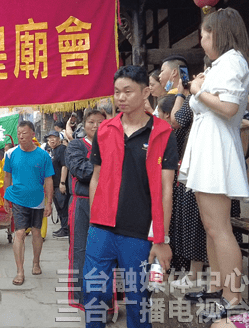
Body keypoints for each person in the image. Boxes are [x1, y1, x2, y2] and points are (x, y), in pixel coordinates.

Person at [83, 65, 178, 328]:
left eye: (127, 91)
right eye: (116, 92)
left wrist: (162, 237)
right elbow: (96, 177)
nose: (120, 97)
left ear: (146, 92)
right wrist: (94, 220)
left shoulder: (162, 133)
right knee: (94, 294)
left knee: (138, 301)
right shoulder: (105, 130)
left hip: (138, 232)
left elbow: (166, 188)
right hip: (101, 230)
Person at [178, 8, 249, 319]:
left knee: (220, 228)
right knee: (212, 227)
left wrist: (197, 90)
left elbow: (229, 106)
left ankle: (233, 297)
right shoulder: (222, 64)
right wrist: (201, 86)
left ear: (219, 34)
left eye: (205, 34)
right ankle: (220, 288)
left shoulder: (233, 61)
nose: (201, 39)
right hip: (208, 148)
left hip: (216, 150)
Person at [3, 120, 54, 286]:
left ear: (33, 134)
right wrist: (5, 198)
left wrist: (49, 203)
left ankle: (36, 262)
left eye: (24, 133)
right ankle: (20, 271)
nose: (21, 136)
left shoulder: (43, 155)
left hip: (37, 200)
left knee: (37, 233)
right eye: (18, 133)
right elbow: (7, 177)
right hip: (17, 199)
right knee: (19, 233)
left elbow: (48, 180)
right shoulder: (10, 154)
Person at [65, 108, 105, 310]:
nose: (96, 126)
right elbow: (81, 171)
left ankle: (107, 302)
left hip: (107, 204)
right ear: (84, 125)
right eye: (91, 122)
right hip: (82, 204)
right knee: (81, 250)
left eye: (100, 122)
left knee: (106, 253)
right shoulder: (75, 145)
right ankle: (83, 299)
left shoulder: (113, 145)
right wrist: (109, 169)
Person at [46, 130, 69, 239]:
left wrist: (62, 183)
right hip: (54, 185)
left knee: (63, 206)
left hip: (60, 184)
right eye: (49, 138)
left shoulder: (62, 149)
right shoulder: (52, 151)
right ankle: (63, 227)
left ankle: (66, 229)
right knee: (59, 207)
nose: (51, 140)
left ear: (59, 139)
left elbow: (65, 166)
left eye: (53, 137)